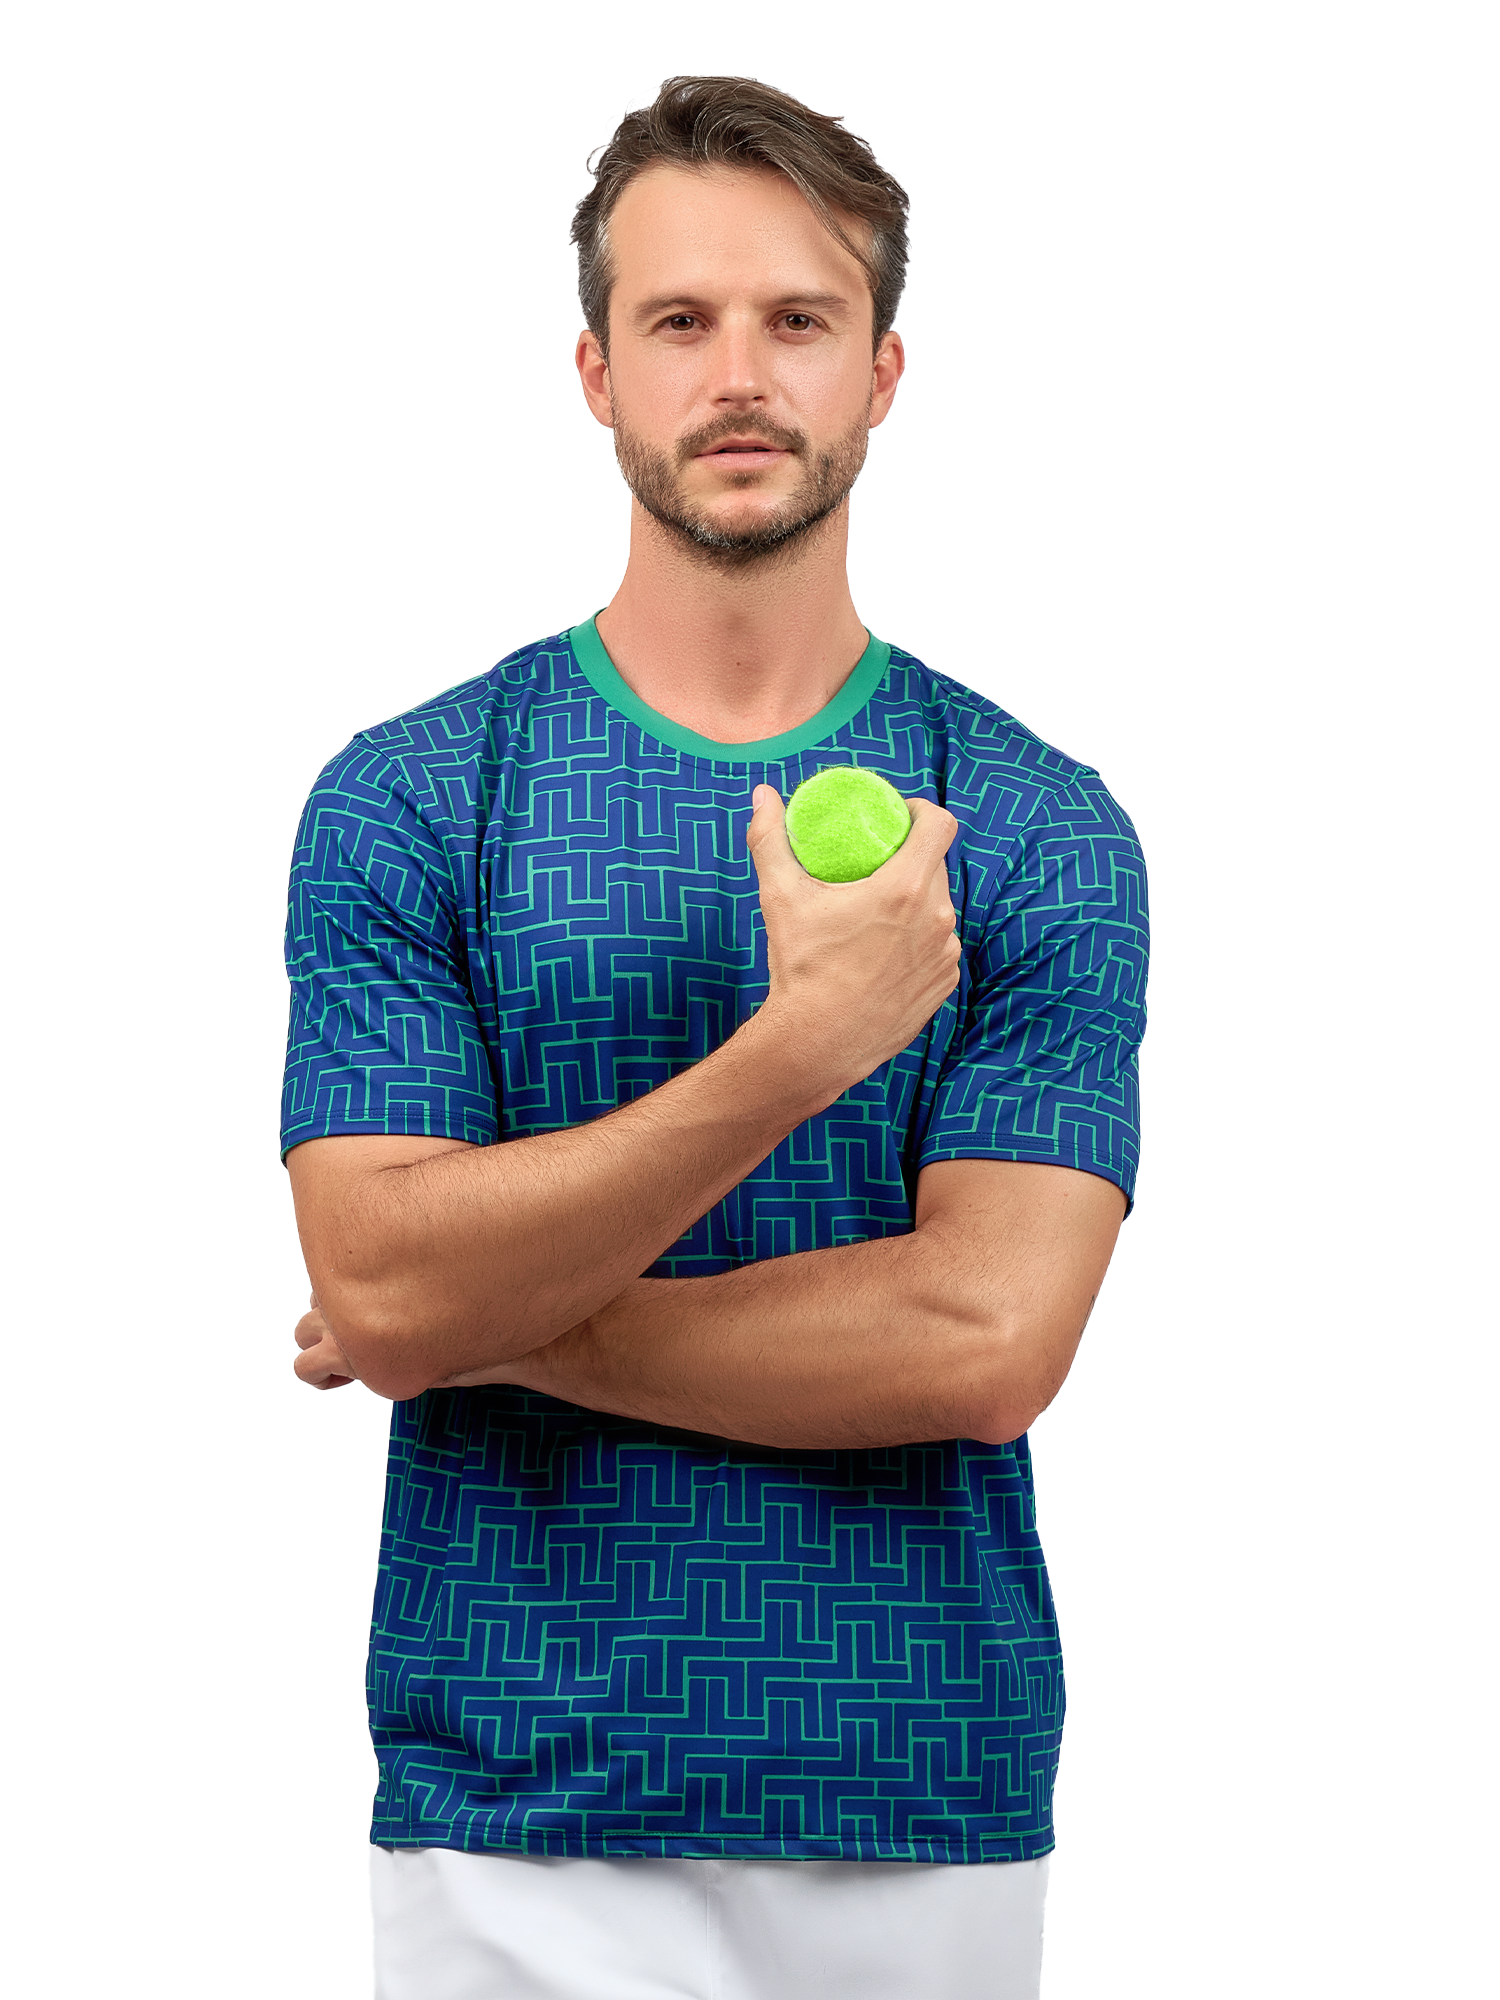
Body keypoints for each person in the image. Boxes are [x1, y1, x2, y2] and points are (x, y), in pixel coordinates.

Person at [283, 73, 1148, 2000]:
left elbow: (987, 1339)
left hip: (913, 1797)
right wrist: (796, 1052)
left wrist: (477, 1313)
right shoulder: (416, 799)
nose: (737, 373)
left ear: (885, 369)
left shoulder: (1032, 822)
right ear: (594, 370)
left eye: (797, 320)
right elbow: (375, 1269)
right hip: (508, 1801)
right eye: (679, 321)